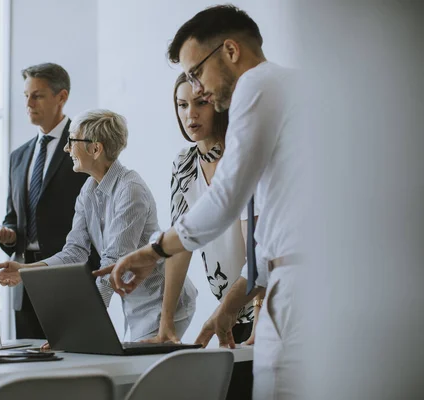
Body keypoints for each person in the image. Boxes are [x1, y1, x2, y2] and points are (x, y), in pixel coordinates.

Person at [97, 5, 301, 399]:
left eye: (196, 72)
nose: (198, 88)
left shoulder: (256, 85)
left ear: (230, 50)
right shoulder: (290, 90)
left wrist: (152, 250)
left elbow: (225, 199)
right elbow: (277, 221)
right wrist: (229, 306)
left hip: (297, 292)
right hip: (280, 284)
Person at [0, 109, 197, 342]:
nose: (66, 148)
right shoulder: (88, 190)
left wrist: (75, 329)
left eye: (71, 141)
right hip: (136, 304)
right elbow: (74, 252)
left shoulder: (130, 189)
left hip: (165, 303)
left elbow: (112, 262)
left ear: (95, 149)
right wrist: (26, 270)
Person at [0, 63, 99, 339]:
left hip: (71, 275)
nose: (29, 103)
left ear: (62, 97)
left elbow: (97, 211)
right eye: (26, 96)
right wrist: (8, 234)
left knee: (74, 360)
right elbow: (13, 216)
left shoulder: (86, 147)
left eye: (38, 95)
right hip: (24, 278)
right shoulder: (18, 157)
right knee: (29, 362)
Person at [145, 73, 264, 345]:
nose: (191, 115)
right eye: (182, 105)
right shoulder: (184, 165)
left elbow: (259, 249)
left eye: (200, 103)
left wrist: (260, 317)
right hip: (227, 310)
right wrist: (165, 324)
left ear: (218, 105)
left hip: (264, 306)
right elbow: (180, 246)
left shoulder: (240, 157)